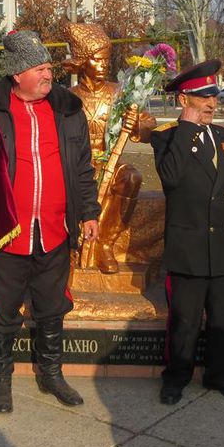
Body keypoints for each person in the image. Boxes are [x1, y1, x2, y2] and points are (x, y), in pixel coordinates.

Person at [0, 30, 100, 414]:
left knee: (51, 308)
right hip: (7, 233)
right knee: (4, 311)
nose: (50, 74)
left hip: (54, 230)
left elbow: (82, 168)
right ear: (17, 74)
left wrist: (89, 213)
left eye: (49, 67)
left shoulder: (68, 109)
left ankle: (51, 374)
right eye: (41, 68)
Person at [151, 60, 224, 405]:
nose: (212, 102)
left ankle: (219, 375)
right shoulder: (168, 139)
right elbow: (171, 179)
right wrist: (186, 129)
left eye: (213, 95)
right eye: (202, 96)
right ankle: (176, 377)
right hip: (189, 245)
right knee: (185, 320)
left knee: (223, 316)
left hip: (221, 244)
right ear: (184, 100)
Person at [62, 22, 156, 273]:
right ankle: (70, 248)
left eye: (106, 60)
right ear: (82, 61)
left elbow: (149, 128)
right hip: (79, 166)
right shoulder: (69, 97)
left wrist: (136, 124)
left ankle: (105, 243)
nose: (104, 66)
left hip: (111, 162)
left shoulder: (119, 93)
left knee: (132, 177)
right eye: (97, 60)